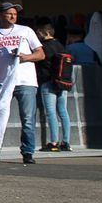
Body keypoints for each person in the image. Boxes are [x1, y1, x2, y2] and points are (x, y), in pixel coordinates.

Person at [0, 1, 44, 165]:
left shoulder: (25, 31)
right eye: (9, 13)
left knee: (28, 118)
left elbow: (40, 54)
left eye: (15, 14)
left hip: (25, 80)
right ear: (0, 15)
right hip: (0, 81)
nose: (13, 16)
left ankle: (28, 152)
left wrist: (26, 57)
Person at [37, 22, 75, 152]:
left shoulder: (43, 47)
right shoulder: (61, 45)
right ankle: (66, 142)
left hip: (48, 82)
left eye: (39, 33)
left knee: (51, 113)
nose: (38, 35)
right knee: (63, 112)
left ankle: (54, 142)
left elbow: (40, 61)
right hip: (62, 82)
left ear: (45, 33)